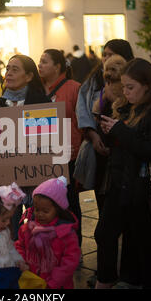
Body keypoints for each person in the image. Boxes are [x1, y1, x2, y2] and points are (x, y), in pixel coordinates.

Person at [94, 58, 151, 289]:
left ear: (147, 85)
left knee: (143, 246)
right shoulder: (126, 107)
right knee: (105, 234)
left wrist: (119, 129)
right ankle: (106, 280)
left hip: (142, 191)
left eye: (131, 87)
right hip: (119, 186)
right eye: (124, 86)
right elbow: (117, 147)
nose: (126, 92)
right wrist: (108, 125)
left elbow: (150, 150)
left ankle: (145, 281)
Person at [0, 54, 50, 239]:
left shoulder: (43, 104)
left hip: (37, 180)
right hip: (8, 181)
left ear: (29, 76)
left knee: (39, 229)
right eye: (7, 68)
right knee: (9, 231)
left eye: (15, 69)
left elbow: (50, 142)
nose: (8, 73)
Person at [75, 39, 134, 214]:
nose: (106, 58)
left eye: (111, 54)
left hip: (123, 146)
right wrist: (92, 135)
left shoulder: (134, 76)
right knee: (100, 192)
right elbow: (82, 109)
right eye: (105, 55)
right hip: (98, 142)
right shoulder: (93, 79)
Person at [38, 49, 83, 246]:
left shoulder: (74, 88)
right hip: (42, 155)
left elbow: (81, 122)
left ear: (58, 66)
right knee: (44, 202)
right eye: (39, 61)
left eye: (44, 62)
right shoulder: (35, 90)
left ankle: (73, 245)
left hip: (68, 156)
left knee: (69, 203)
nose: (40, 65)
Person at [15, 176, 81, 289]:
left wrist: (53, 283)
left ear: (58, 209)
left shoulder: (66, 234)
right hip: (32, 282)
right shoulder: (28, 229)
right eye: (37, 209)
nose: (40, 214)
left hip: (58, 285)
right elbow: (19, 245)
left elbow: (70, 262)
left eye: (45, 211)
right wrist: (21, 262)